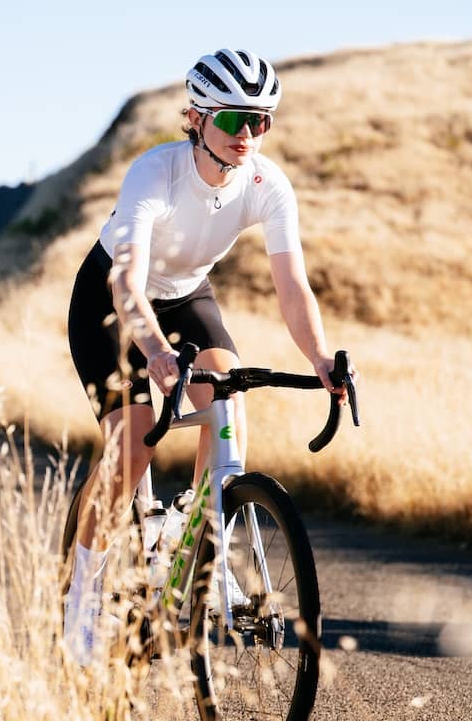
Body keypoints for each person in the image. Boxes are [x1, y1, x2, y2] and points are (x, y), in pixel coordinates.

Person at [62, 48, 348, 664]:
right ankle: (80, 598)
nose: (247, 135)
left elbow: (292, 286)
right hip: (113, 303)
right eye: (232, 121)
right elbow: (126, 282)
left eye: (261, 121)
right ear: (196, 119)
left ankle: (205, 538)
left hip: (188, 292)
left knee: (227, 401)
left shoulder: (268, 185)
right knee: (133, 445)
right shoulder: (155, 173)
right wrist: (157, 352)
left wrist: (321, 356)